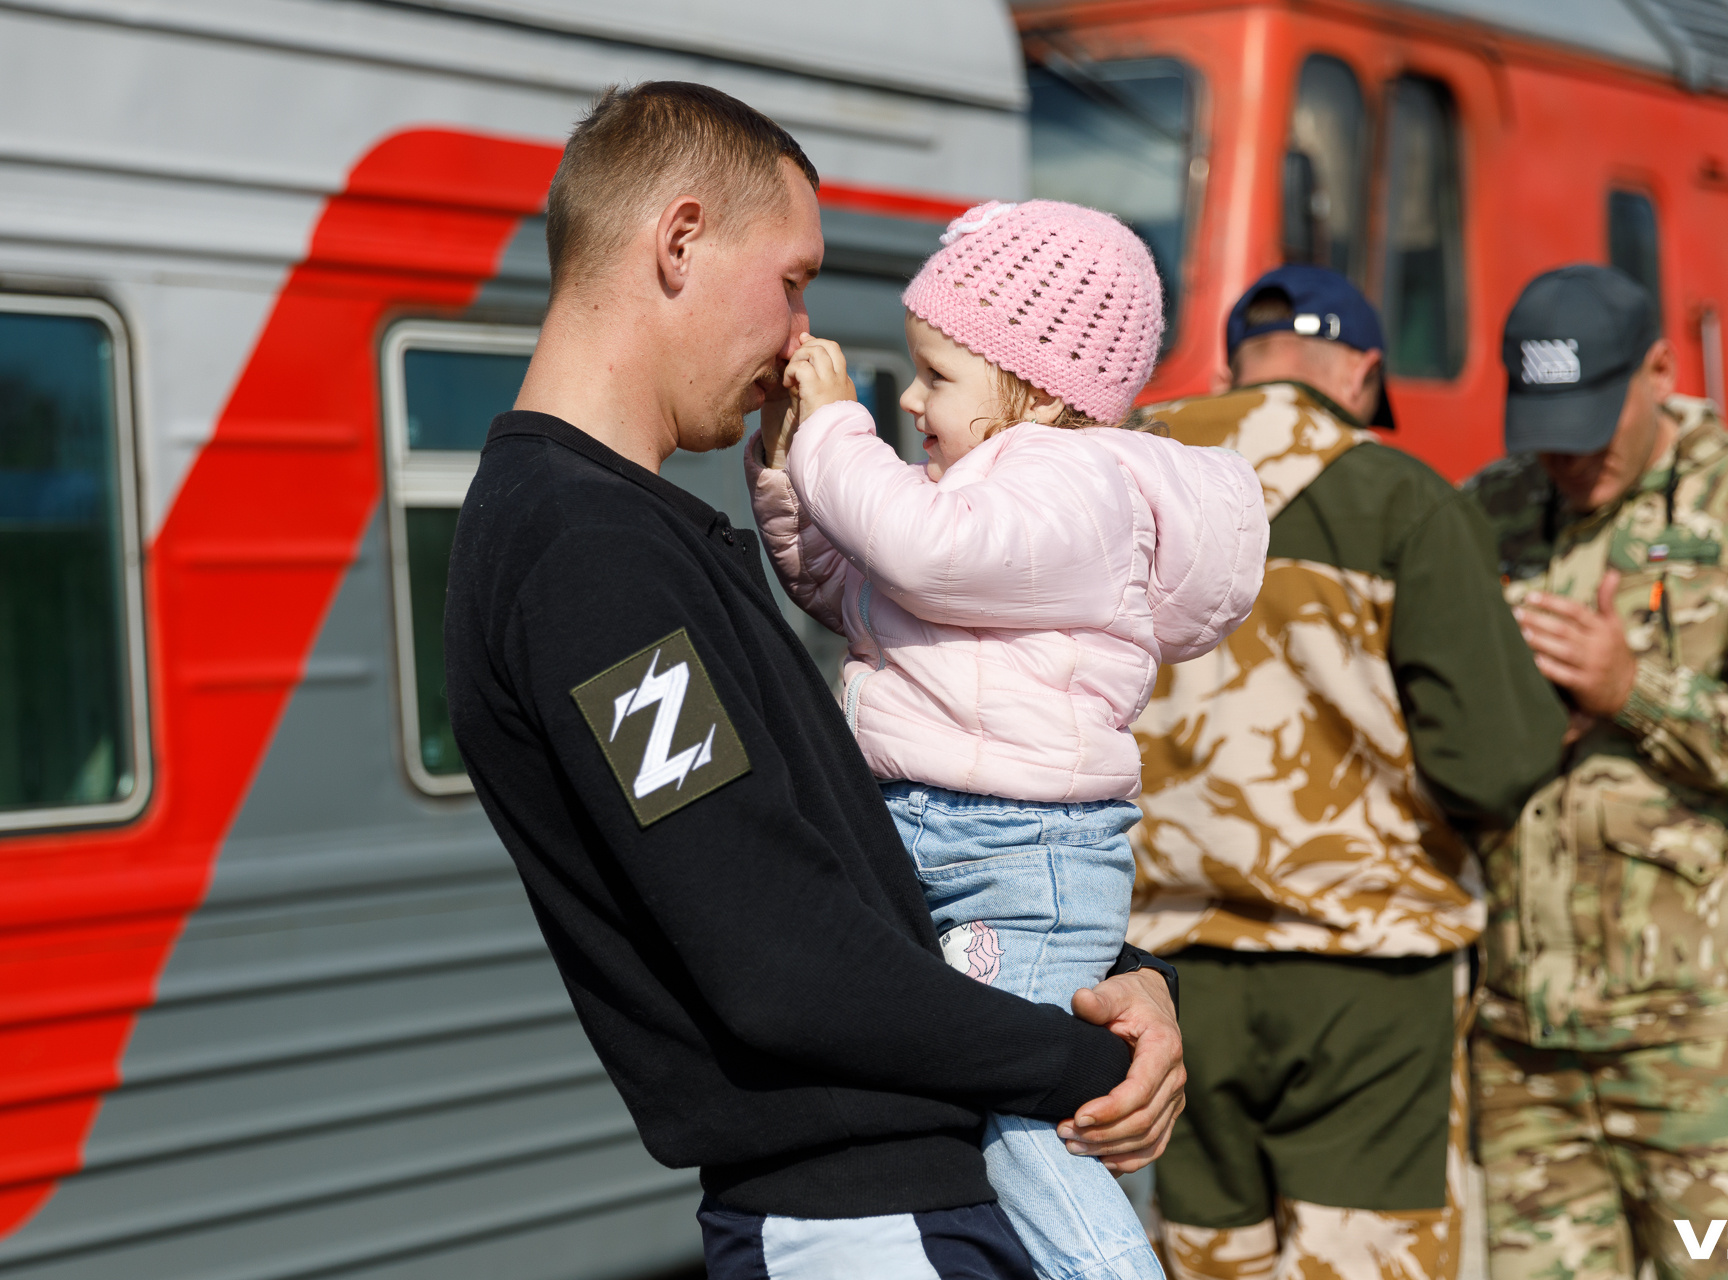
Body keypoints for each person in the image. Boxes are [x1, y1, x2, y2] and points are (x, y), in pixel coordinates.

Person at [442, 82, 1186, 1280]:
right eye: (793, 279)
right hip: (860, 1219)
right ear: (679, 241)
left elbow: (867, 871)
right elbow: (781, 958)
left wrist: (1117, 979)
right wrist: (1089, 1063)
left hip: (897, 1199)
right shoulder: (588, 558)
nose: (801, 333)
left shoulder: (615, 529)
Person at [745, 198, 1267, 1280]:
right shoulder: (980, 496)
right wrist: (791, 467)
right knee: (978, 1098)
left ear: (1032, 383)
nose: (916, 402)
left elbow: (920, 553)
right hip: (954, 841)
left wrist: (841, 425)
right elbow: (848, 586)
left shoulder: (1077, 488)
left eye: (936, 375)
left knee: (1021, 1116)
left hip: (1015, 859)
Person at [1127, 264, 1568, 1280]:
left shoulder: (1119, 479)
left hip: (1165, 980)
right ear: (1363, 372)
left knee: (1205, 1262)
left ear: (1240, 361)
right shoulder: (1401, 496)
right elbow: (1490, 762)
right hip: (1365, 989)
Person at [1462, 264, 1728, 1280]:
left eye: (1594, 420)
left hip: (1708, 1051)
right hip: (1528, 1052)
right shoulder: (1489, 506)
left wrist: (1634, 689)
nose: (1567, 454)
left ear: (1659, 369)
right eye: (1545, 425)